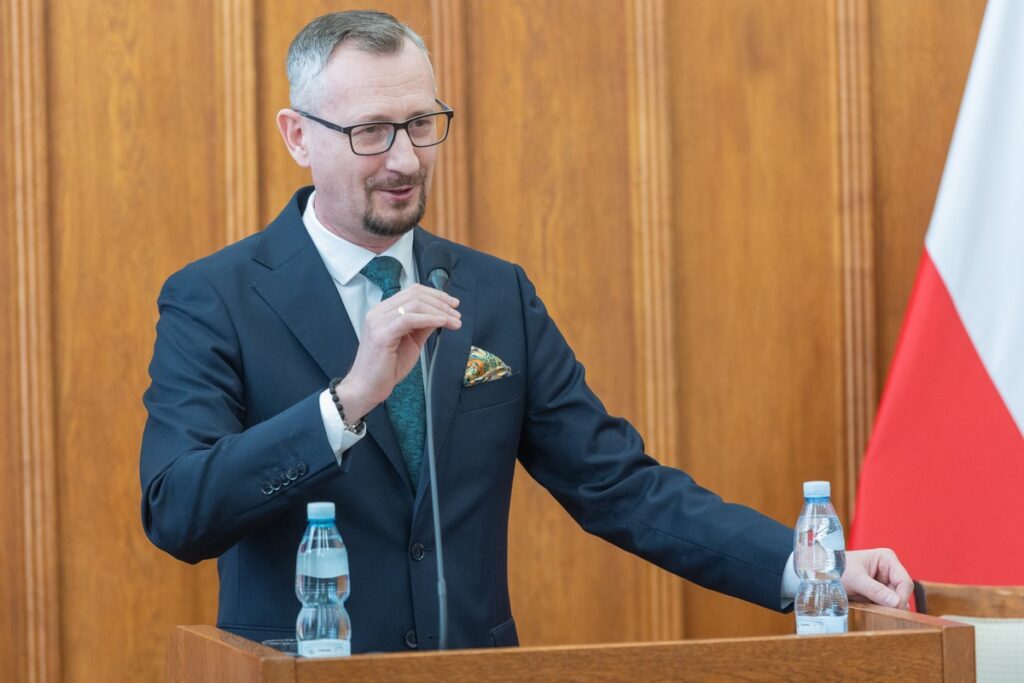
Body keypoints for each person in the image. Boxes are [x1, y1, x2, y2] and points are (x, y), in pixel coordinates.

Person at [140, 10, 912, 653]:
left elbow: (617, 483)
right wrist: (343, 405)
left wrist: (805, 562)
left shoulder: (493, 292)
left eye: (421, 123)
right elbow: (177, 509)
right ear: (298, 136)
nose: (405, 158)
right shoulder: (217, 296)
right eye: (372, 131)